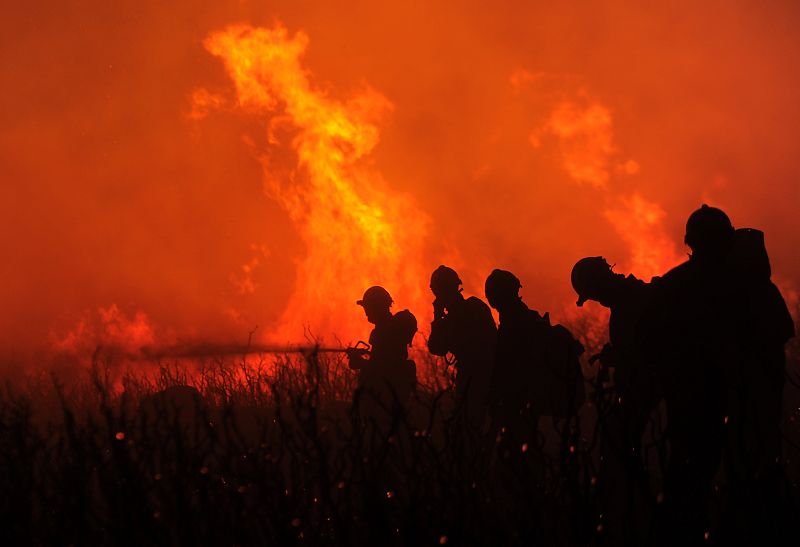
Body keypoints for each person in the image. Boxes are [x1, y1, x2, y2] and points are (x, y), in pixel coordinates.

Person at [638, 205, 737, 544]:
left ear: (690, 241)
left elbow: (650, 346)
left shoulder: (674, 286)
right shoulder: (744, 287)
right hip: (735, 402)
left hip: (689, 404)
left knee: (685, 485)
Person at [571, 256, 659, 544]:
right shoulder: (630, 300)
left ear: (599, 284)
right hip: (642, 392)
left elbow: (645, 356)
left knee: (621, 452)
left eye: (594, 293)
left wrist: (616, 358)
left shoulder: (632, 302)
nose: (596, 300)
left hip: (648, 393)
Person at [485, 269, 584, 447]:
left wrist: (495, 398)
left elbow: (509, 370)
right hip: (524, 403)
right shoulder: (525, 322)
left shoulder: (517, 326)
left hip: (520, 403)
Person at [427, 265, 497, 428]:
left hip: (480, 378)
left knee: (471, 426)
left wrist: (438, 317)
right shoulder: (472, 308)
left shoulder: (469, 310)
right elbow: (435, 347)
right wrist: (439, 317)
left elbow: (437, 346)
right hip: (473, 378)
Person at [348, 286, 417, 425]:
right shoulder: (386, 329)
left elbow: (386, 366)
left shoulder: (389, 331)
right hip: (381, 398)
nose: (366, 311)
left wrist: (361, 363)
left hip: (384, 401)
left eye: (367, 307)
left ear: (376, 307)